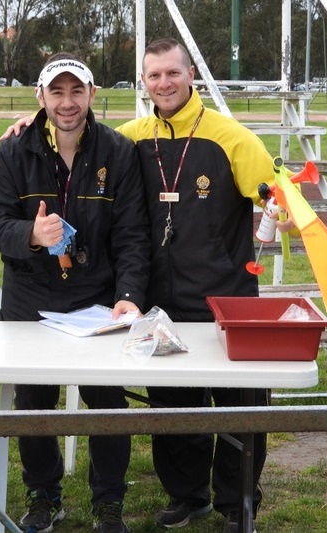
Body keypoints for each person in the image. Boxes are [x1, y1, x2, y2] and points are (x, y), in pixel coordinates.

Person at [0, 53, 150, 533]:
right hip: (28, 298)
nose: (67, 102)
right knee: (33, 403)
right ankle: (43, 494)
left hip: (96, 299)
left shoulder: (117, 151)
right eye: (57, 92)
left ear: (92, 95)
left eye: (77, 91)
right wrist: (32, 237)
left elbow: (133, 234)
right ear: (41, 97)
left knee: (108, 402)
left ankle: (109, 501)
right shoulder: (14, 150)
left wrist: (130, 295)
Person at [115, 38, 276, 533]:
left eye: (172, 73)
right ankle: (186, 495)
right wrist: (27, 126)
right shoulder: (129, 138)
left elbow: (274, 189)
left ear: (191, 77)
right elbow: (70, 142)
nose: (163, 83)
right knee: (172, 407)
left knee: (239, 405)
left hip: (224, 295)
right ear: (143, 83)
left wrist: (282, 209)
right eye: (153, 76)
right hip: (159, 302)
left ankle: (237, 501)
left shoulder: (232, 137)